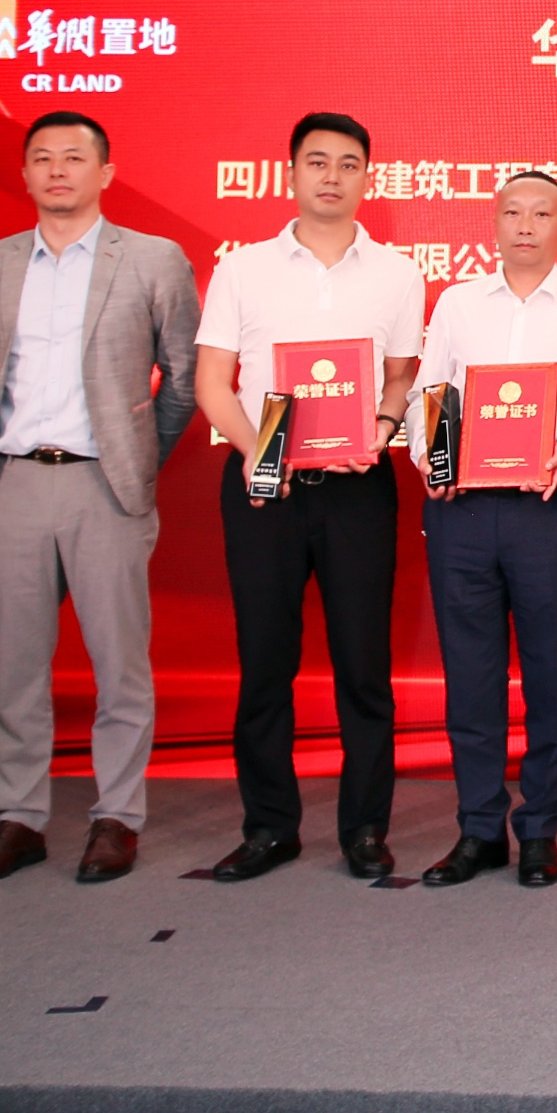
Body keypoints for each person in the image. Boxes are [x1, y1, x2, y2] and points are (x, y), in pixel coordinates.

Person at [0, 112, 199, 887]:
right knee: (17, 667)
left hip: (105, 484)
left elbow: (183, 379)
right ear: (24, 173)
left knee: (119, 664)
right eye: (42, 158)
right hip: (14, 480)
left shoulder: (153, 259)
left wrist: (138, 460)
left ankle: (117, 817)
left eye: (73, 157)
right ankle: (18, 818)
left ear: (105, 172)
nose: (57, 170)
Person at [192, 112, 425, 882]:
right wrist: (261, 453)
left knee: (364, 666)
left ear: (367, 177)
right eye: (317, 161)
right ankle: (269, 827)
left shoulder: (397, 274)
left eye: (348, 164)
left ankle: (365, 829)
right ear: (290, 171)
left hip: (359, 488)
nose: (332, 176)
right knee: (265, 661)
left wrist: (383, 427)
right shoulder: (243, 269)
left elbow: (402, 376)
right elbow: (212, 381)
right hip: (265, 488)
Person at [408, 173, 557, 890]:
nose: (525, 225)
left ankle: (540, 831)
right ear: (493, 224)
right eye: (512, 212)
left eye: (541, 213)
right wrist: (432, 458)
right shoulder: (457, 303)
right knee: (470, 676)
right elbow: (429, 393)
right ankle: (477, 829)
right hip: (463, 509)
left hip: (548, 510)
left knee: (550, 674)